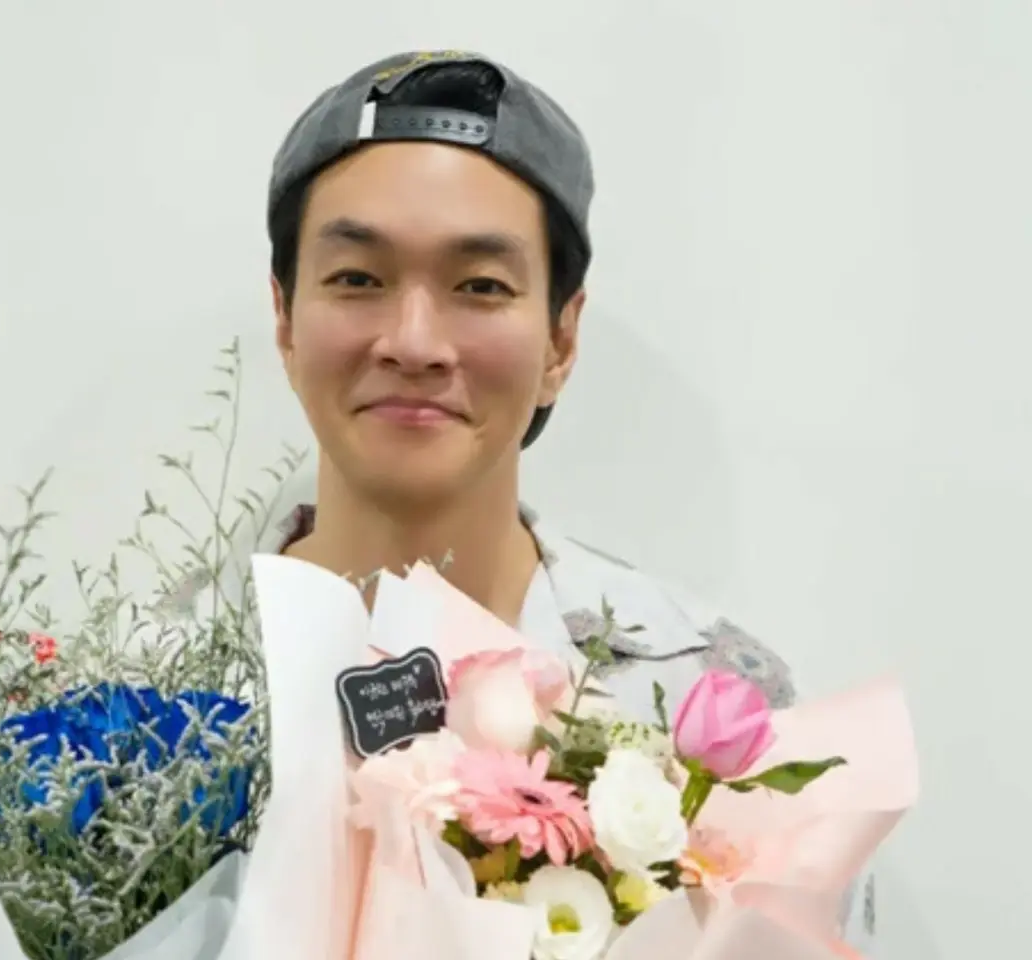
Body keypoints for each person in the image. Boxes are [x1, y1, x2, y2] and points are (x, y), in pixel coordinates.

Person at [181, 50, 876, 950]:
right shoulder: (134, 700)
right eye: (357, 279)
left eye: (480, 286)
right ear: (284, 316)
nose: (414, 342)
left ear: (561, 339)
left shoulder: (715, 707)